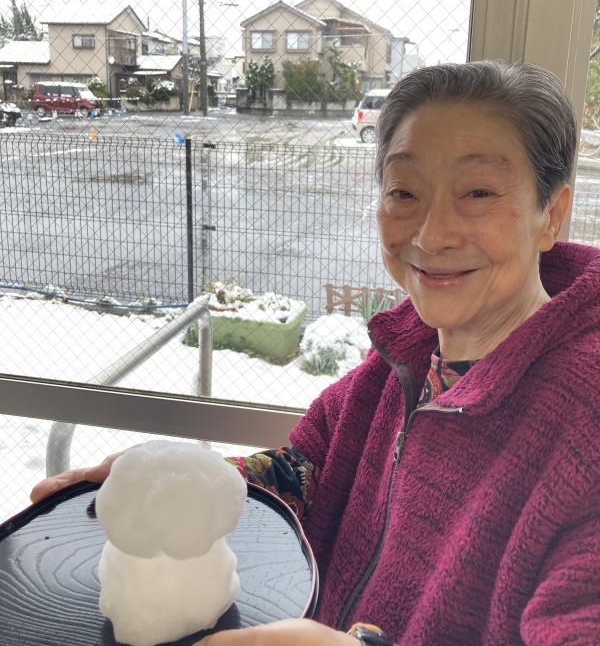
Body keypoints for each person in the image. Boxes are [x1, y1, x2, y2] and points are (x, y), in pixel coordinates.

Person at [31, 62, 600, 646]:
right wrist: (185, 485)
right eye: (404, 192)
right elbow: (303, 473)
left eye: (478, 193)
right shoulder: (401, 360)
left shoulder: (586, 422)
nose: (431, 235)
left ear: (551, 214)